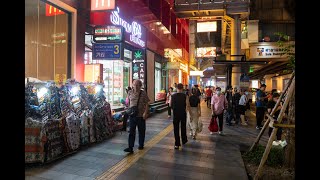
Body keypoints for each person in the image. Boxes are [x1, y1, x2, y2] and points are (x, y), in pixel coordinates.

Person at [124, 80, 150, 153]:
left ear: (140, 86)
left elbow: (147, 103)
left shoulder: (143, 93)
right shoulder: (129, 92)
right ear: (132, 85)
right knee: (131, 131)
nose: (135, 86)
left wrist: (145, 113)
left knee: (141, 131)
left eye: (137, 85)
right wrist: (127, 109)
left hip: (141, 116)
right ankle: (130, 147)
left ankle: (141, 144)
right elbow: (128, 103)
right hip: (132, 115)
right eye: (134, 84)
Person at [170, 83, 189, 149]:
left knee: (176, 128)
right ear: (182, 88)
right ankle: (184, 140)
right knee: (183, 127)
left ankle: (177, 144)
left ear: (177, 88)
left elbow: (170, 105)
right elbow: (187, 105)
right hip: (183, 113)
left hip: (176, 114)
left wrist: (174, 109)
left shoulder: (173, 96)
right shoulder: (185, 96)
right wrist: (186, 112)